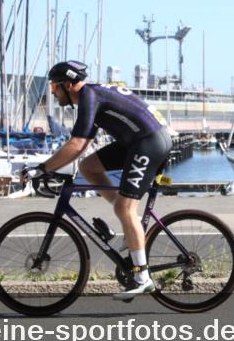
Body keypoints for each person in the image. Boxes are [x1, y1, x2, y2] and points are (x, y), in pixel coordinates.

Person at [25, 60, 173, 301]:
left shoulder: (89, 97)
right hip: (139, 141)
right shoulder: (90, 97)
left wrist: (42, 169)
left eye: (54, 87)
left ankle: (143, 278)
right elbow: (82, 146)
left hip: (149, 143)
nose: (53, 93)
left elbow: (75, 145)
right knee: (88, 167)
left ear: (68, 84)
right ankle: (130, 227)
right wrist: (51, 167)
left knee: (125, 207)